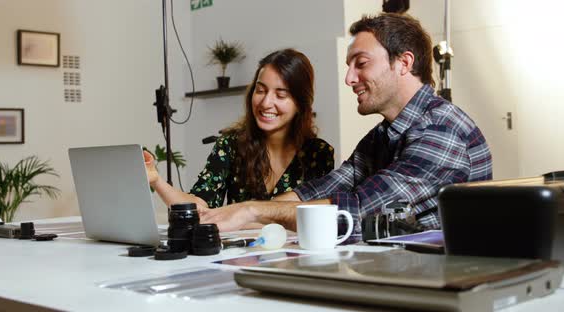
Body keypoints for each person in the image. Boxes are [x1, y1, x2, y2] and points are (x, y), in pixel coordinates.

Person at [200, 13, 493, 233]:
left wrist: (253, 212)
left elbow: (359, 208)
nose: (349, 78)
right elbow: (325, 187)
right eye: (349, 66)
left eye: (361, 63)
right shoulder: (381, 135)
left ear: (404, 63)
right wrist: (239, 212)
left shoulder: (441, 129)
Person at [145, 49, 335, 217]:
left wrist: (241, 217)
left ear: (300, 103)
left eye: (280, 95)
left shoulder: (318, 153)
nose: (266, 102)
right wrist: (156, 180)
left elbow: (314, 217)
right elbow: (200, 207)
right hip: (238, 256)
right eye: (260, 90)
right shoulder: (230, 145)